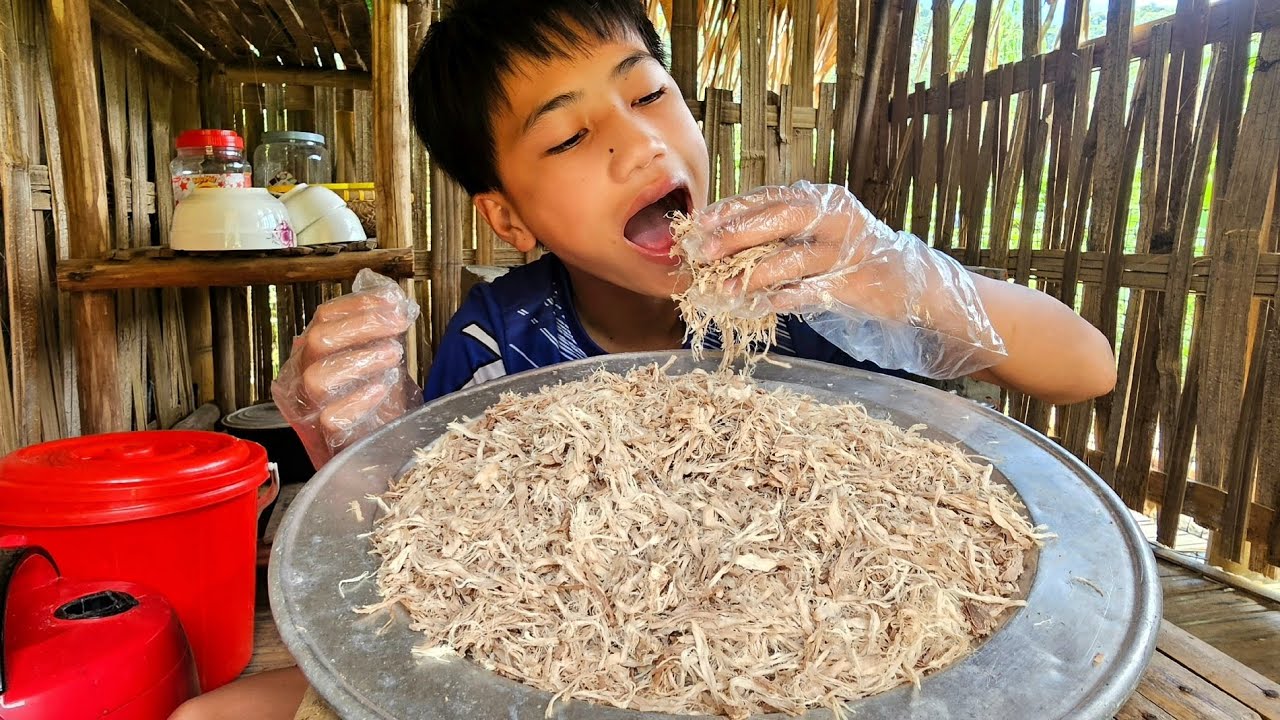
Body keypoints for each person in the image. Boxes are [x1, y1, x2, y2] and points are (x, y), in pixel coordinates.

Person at [170, 0, 1116, 717]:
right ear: (505, 212)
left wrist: (917, 283)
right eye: (572, 135)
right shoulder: (501, 342)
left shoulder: (817, 285)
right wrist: (372, 448)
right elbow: (442, 579)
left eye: (650, 92)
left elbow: (1087, 367)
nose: (638, 142)